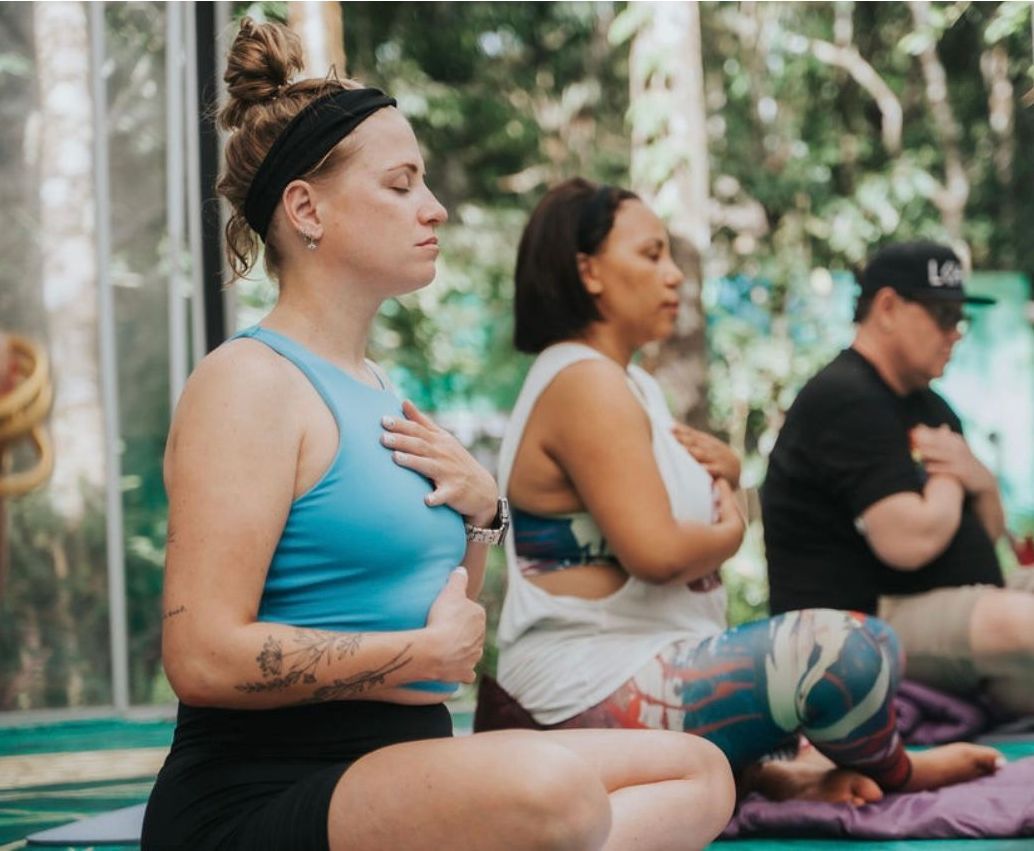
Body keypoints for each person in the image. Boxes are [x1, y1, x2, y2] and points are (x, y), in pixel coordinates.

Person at [141, 19, 738, 851]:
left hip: (404, 769)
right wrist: (410, 650)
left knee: (697, 771)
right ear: (306, 209)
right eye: (402, 184)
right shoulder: (248, 384)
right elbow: (202, 655)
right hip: (265, 793)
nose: (436, 207)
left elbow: (447, 625)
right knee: (555, 793)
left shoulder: (383, 388)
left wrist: (486, 515)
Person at [489, 178, 1003, 807]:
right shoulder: (583, 381)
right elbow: (662, 555)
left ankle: (768, 776)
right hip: (579, 689)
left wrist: (727, 471)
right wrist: (732, 531)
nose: (674, 276)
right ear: (588, 272)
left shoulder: (632, 387)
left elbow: (663, 503)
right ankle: (896, 771)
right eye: (651, 255)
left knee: (863, 645)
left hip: (643, 664)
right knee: (849, 649)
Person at [762, 240, 1034, 716]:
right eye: (943, 316)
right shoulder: (844, 397)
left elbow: (985, 533)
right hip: (858, 624)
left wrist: (982, 480)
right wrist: (951, 476)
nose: (956, 334)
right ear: (887, 307)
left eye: (960, 319)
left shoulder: (931, 406)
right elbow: (908, 542)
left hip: (951, 604)